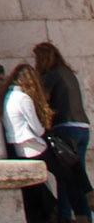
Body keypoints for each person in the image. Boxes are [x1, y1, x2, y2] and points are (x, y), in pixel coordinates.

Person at [35, 43, 93, 222]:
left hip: (65, 129)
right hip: (83, 127)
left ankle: (65, 216)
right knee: (78, 174)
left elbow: (42, 103)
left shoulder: (50, 76)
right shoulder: (68, 74)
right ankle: (85, 215)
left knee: (65, 176)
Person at [3, 61, 59, 223]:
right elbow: (37, 128)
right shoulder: (23, 98)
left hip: (18, 148)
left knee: (35, 190)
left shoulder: (8, 96)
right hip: (33, 147)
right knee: (64, 174)